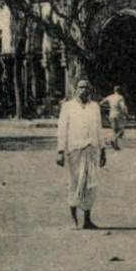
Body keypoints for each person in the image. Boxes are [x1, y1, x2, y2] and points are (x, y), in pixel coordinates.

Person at [56, 79, 106, 230]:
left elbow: (99, 128)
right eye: (81, 87)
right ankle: (73, 219)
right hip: (74, 150)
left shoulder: (94, 107)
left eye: (86, 87)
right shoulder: (68, 107)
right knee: (74, 182)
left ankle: (87, 220)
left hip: (91, 149)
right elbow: (62, 129)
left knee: (90, 185)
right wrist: (60, 151)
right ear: (76, 89)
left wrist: (103, 150)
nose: (84, 90)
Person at [101, 86, 128, 150]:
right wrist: (126, 114)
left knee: (114, 130)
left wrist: (109, 107)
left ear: (114, 90)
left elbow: (101, 103)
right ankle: (113, 140)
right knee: (121, 131)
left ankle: (115, 146)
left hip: (111, 115)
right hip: (119, 115)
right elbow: (123, 107)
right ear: (120, 91)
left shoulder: (110, 97)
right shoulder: (120, 97)